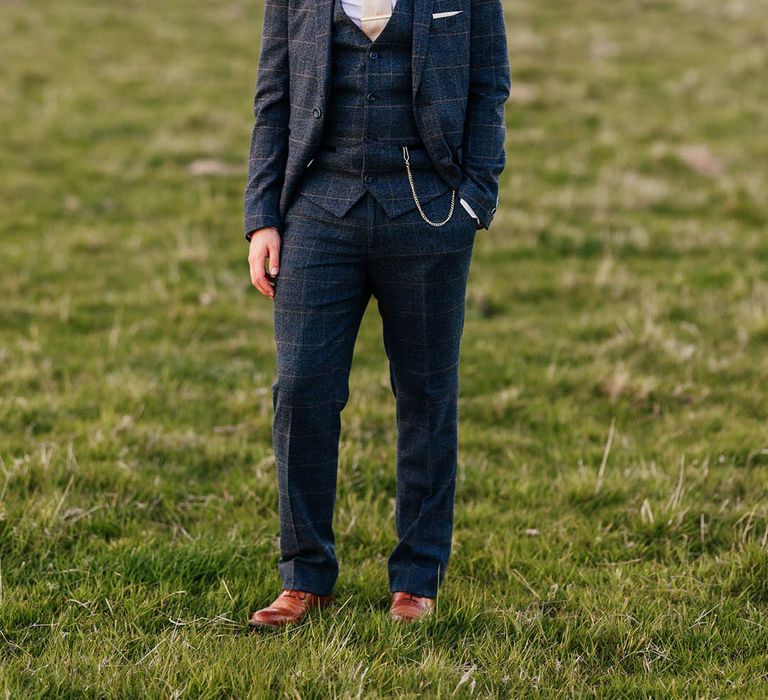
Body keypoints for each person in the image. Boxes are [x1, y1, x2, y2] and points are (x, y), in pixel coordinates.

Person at [244, 0, 510, 627]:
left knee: (425, 394)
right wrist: (262, 217)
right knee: (301, 390)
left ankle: (417, 579)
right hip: (318, 211)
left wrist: (476, 199)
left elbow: (489, 85)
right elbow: (273, 98)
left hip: (430, 215)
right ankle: (304, 576)